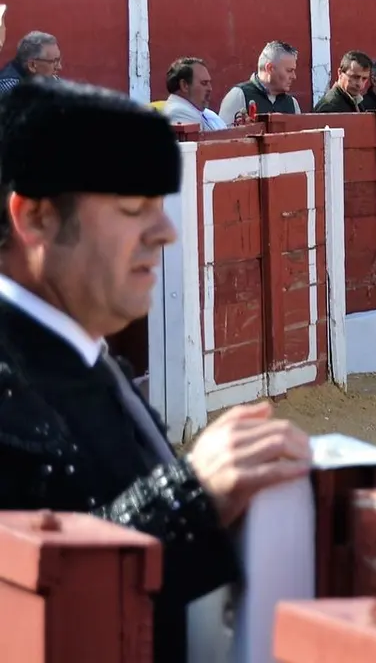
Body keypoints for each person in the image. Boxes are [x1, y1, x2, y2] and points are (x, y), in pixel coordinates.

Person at [0, 78, 314, 663]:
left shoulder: (84, 355)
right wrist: (188, 498)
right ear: (37, 218)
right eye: (131, 209)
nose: (166, 231)